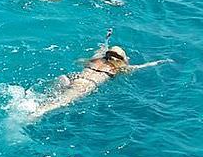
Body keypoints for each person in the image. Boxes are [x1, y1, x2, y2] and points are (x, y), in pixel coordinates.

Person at [29, 42, 171, 119]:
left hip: (71, 77)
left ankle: (31, 104)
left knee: (47, 96)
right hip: (85, 84)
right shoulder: (119, 68)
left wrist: (105, 43)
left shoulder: (95, 59)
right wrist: (160, 61)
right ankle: (34, 115)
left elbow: (100, 49)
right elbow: (141, 67)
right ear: (122, 59)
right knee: (57, 103)